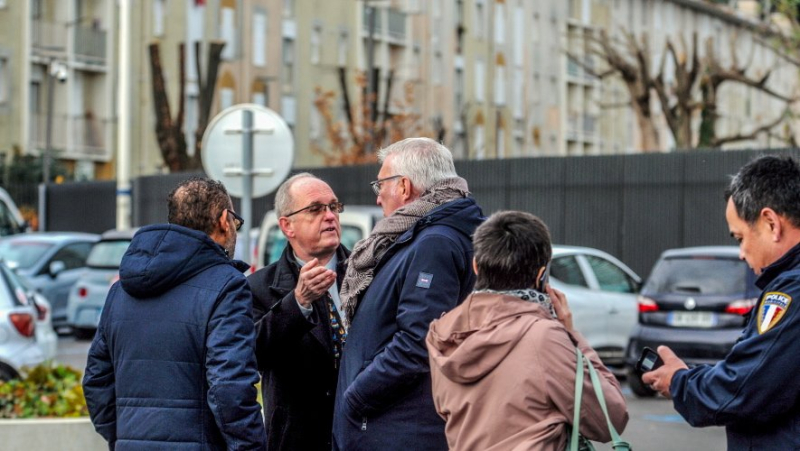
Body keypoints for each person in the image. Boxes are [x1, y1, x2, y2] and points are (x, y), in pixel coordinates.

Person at [83, 177, 266, 450]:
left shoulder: (119, 291)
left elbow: (96, 381)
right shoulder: (227, 286)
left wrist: (123, 438)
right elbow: (229, 388)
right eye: (235, 222)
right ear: (224, 220)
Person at [426, 210, 629, 450]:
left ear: (476, 266)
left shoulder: (442, 332)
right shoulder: (544, 337)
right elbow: (609, 419)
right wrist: (572, 335)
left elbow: (447, 413)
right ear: (541, 275)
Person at [332, 137, 484, 451]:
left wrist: (357, 396)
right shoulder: (428, 234)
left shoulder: (435, 242)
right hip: (395, 424)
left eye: (380, 185)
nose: (378, 198)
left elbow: (418, 341)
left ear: (404, 186)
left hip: (399, 428)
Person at [643, 154, 800, 450]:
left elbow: (744, 388)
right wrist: (689, 376)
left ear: (771, 223)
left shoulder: (792, 292)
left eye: (740, 237)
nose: (741, 253)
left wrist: (678, 383)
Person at [247, 173, 348, 451]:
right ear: (287, 226)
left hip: (362, 434)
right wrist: (298, 302)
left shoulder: (368, 273)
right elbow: (251, 353)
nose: (329, 216)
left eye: (334, 207)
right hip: (298, 439)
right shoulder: (259, 287)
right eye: (316, 209)